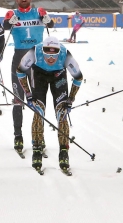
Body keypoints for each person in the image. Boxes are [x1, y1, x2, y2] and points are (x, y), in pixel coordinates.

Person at [17, 36, 83, 173]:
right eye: (48, 56)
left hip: (58, 77)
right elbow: (20, 71)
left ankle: (64, 151)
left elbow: (78, 77)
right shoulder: (35, 52)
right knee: (38, 111)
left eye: (54, 56)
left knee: (62, 113)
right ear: (43, 51)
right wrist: (28, 95)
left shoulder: (65, 54)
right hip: (39, 76)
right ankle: (36, 149)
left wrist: (70, 99)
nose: (51, 59)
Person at [3, 0, 54, 155]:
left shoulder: (38, 11)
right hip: (19, 60)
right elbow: (4, 27)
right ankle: (18, 136)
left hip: (37, 60)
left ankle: (38, 136)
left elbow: (51, 24)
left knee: (37, 101)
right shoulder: (12, 13)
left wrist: (46, 18)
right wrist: (8, 22)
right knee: (18, 100)